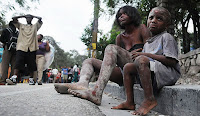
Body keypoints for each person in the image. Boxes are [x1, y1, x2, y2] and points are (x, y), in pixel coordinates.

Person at [54, 5, 150, 99]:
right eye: (120, 15)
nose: (121, 16)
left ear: (132, 14)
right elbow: (117, 61)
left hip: (139, 69)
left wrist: (142, 52)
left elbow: (152, 51)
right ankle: (82, 84)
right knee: (89, 61)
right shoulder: (120, 37)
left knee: (111, 48)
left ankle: (97, 93)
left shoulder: (142, 28)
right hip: (124, 73)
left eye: (125, 13)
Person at [111, 7, 181, 115]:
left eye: (159, 19)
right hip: (154, 72)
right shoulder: (148, 43)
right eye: (151, 18)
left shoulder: (166, 37)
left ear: (166, 25)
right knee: (128, 67)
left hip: (167, 74)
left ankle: (149, 99)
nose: (153, 21)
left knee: (141, 59)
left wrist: (145, 54)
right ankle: (129, 101)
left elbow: (171, 61)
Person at [6, 14, 43, 85]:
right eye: (27, 18)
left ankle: (31, 79)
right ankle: (14, 77)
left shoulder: (35, 26)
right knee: (18, 61)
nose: (28, 19)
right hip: (22, 47)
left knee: (31, 63)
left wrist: (33, 16)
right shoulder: (21, 26)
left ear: (32, 19)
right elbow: (13, 18)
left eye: (30, 18)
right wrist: (23, 16)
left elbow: (40, 19)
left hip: (31, 47)